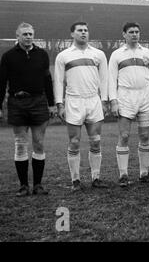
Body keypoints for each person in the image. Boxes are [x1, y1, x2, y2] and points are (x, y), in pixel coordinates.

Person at [0, 22, 55, 196]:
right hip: (17, 103)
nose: (28, 37)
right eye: (24, 34)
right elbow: (1, 83)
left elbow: (48, 81)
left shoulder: (42, 54)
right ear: (17, 36)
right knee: (20, 145)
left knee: (38, 143)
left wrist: (52, 104)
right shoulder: (8, 56)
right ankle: (23, 186)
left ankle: (38, 185)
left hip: (39, 102)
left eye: (31, 34)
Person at [54, 22, 109, 192]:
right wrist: (59, 103)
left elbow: (104, 79)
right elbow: (58, 81)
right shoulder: (63, 56)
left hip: (93, 101)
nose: (84, 33)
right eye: (80, 30)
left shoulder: (98, 54)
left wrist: (104, 100)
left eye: (86, 30)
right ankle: (75, 180)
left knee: (96, 141)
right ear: (72, 34)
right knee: (74, 142)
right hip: (74, 101)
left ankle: (96, 178)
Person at [108, 22, 149, 187]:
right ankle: (123, 175)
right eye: (131, 32)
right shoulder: (117, 54)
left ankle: (144, 173)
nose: (134, 34)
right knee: (124, 136)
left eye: (137, 31)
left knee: (144, 136)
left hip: (145, 95)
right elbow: (111, 79)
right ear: (124, 34)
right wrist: (113, 100)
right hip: (125, 96)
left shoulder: (147, 53)